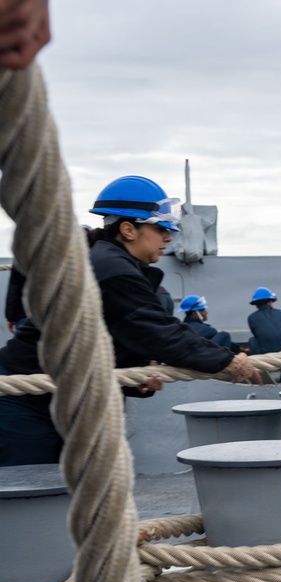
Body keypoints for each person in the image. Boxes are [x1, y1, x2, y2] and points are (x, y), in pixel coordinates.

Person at [0, 175, 260, 466]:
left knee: (54, 497)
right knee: (30, 500)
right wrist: (226, 359)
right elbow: (158, 333)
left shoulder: (110, 263)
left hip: (53, 395)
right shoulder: (112, 269)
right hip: (24, 396)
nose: (169, 238)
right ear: (128, 230)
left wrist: (131, 379)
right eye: (161, 228)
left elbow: (103, 336)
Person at [247, 286, 281, 382]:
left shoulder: (252, 317)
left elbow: (257, 335)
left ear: (256, 305)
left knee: (252, 340)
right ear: (270, 302)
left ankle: (262, 373)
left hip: (265, 351)